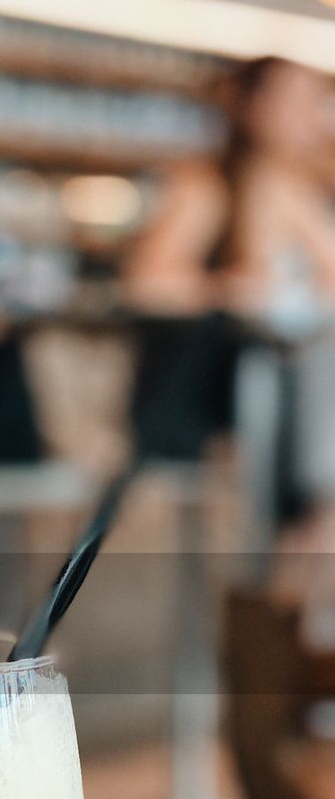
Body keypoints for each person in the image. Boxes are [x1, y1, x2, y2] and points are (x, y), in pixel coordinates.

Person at [124, 57, 335, 493]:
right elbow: (146, 286)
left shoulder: (306, 187)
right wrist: (227, 289)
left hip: (299, 388)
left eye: (318, 99)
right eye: (295, 99)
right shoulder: (208, 184)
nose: (313, 113)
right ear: (249, 105)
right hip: (222, 396)